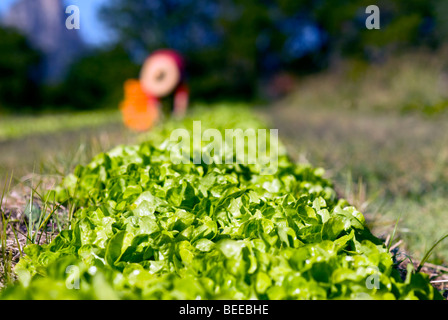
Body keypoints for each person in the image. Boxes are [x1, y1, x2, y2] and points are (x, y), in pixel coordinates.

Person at [120, 49, 189, 131]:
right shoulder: (150, 66)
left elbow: (182, 95)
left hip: (177, 68)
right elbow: (152, 101)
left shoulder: (178, 63)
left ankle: (179, 117)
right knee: (154, 99)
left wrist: (179, 112)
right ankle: (160, 120)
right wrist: (156, 119)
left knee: (180, 94)